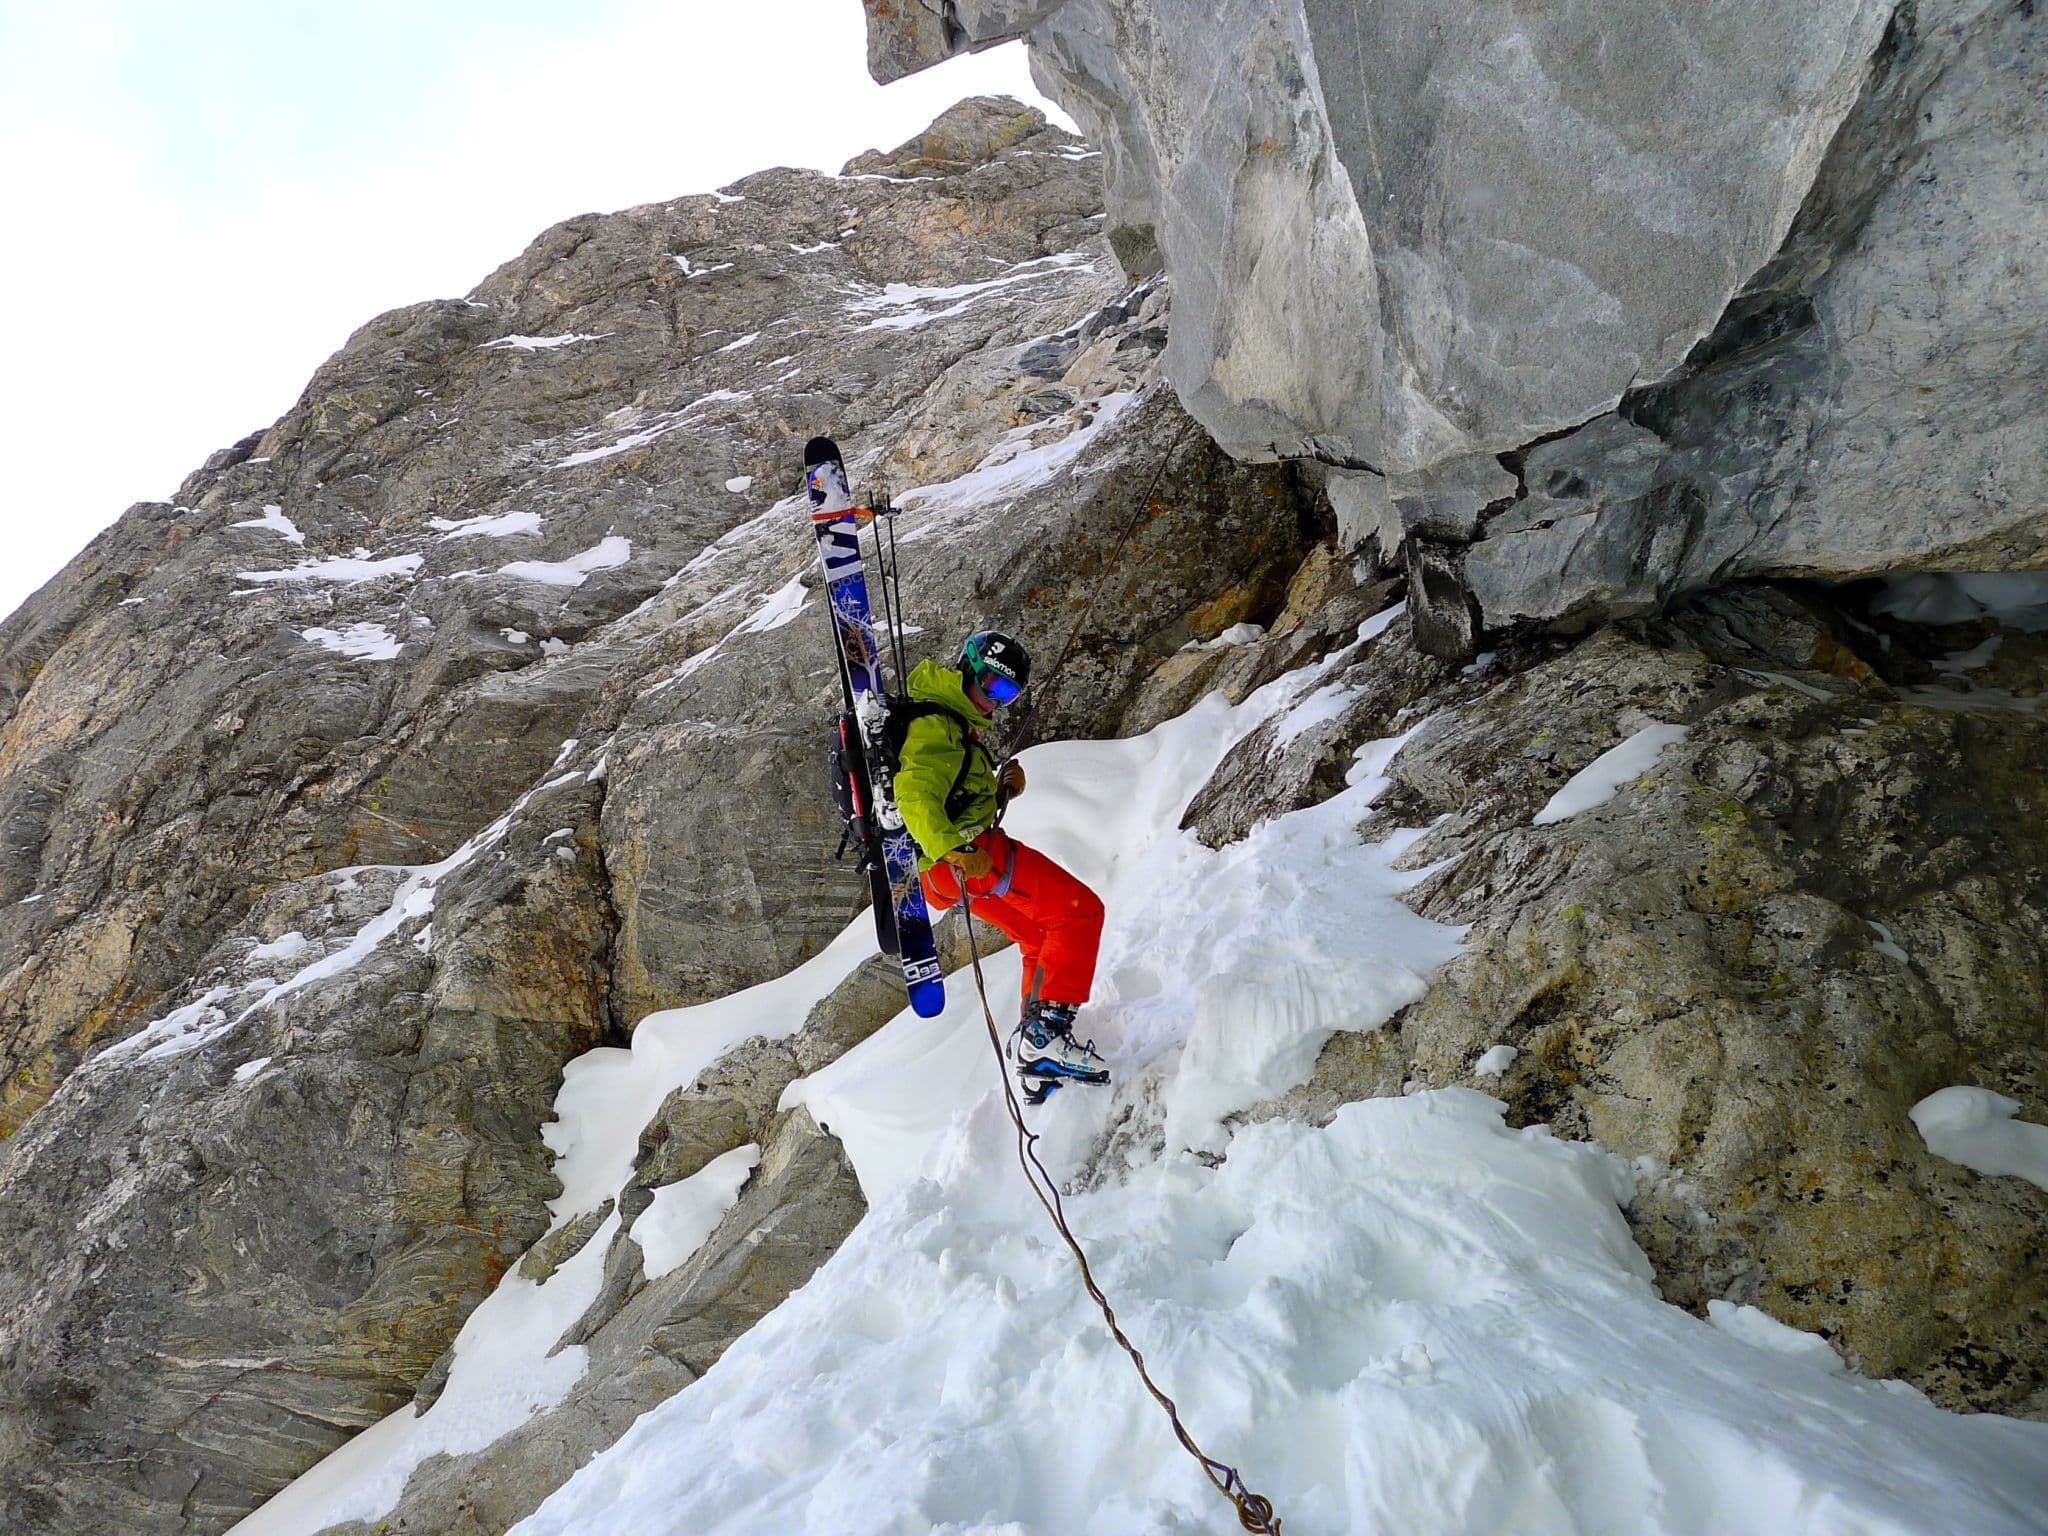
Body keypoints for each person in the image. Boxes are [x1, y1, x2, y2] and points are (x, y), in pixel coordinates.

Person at [893, 629, 1109, 1097]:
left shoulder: (951, 722)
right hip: (971, 858)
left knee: (1037, 935)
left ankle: (1038, 1053)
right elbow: (915, 794)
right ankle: (1042, 1040)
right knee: (1080, 913)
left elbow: (950, 793)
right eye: (991, 685)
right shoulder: (936, 723)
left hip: (948, 871)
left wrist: (998, 791)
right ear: (968, 669)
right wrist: (955, 848)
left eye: (1007, 693)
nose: (996, 700)